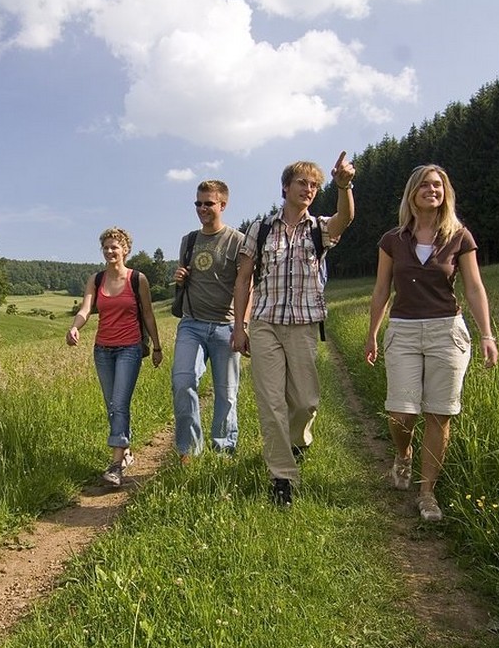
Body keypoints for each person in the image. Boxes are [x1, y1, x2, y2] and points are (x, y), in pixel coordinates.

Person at [363, 164, 498, 522]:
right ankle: (403, 455)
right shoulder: (392, 239)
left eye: (438, 185)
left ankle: (427, 494)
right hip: (403, 330)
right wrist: (372, 332)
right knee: (401, 413)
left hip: (446, 332)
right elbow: (381, 289)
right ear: (412, 193)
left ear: (446, 193)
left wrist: (486, 334)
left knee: (440, 413)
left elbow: (473, 287)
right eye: (424, 185)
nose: (432, 190)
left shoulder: (459, 236)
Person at [231, 152, 356, 507]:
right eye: (302, 182)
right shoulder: (261, 228)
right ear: (285, 187)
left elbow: (345, 219)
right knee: (271, 404)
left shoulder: (319, 228)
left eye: (315, 185)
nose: (309, 189)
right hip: (266, 323)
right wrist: (240, 327)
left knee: (304, 402)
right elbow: (243, 280)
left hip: (303, 325)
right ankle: (282, 477)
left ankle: (298, 441)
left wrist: (344, 186)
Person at [67, 227, 163, 487]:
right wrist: (75, 326)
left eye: (115, 247)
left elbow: (148, 314)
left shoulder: (137, 279)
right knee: (112, 405)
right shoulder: (96, 280)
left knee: (119, 403)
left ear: (125, 250)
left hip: (129, 349)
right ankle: (126, 452)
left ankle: (116, 464)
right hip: (102, 350)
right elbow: (86, 308)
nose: (110, 251)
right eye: (106, 247)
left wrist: (156, 346)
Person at [172, 180, 246, 462]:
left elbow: (246, 285)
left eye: (208, 203)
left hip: (225, 326)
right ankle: (189, 450)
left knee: (227, 394)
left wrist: (242, 326)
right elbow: (187, 275)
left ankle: (223, 451)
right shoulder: (188, 240)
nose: (202, 208)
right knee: (183, 381)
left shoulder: (237, 240)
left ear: (222, 205)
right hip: (191, 324)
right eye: (198, 203)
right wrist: (181, 277)